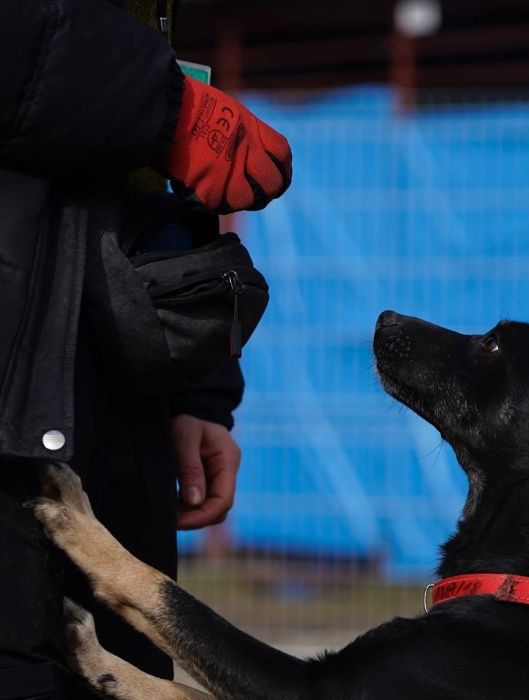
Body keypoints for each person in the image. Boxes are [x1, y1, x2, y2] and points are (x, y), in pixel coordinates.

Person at [0, 1, 292, 698]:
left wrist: (195, 389)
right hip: (12, 395)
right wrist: (164, 109)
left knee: (111, 664)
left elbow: (144, 186)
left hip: (107, 393)